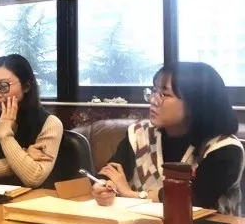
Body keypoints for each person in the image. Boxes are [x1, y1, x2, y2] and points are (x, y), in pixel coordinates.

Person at [92, 62, 244, 215]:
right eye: (154, 91)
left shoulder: (224, 149)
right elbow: (111, 172)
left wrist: (131, 194)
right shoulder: (139, 135)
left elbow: (193, 199)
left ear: (195, 103)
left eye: (164, 94)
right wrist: (103, 186)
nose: (153, 100)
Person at [0, 54, 63, 188]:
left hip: (32, 198)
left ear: (26, 86)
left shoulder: (50, 123)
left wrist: (5, 135)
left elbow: (34, 177)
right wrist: (25, 155)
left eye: (3, 86)